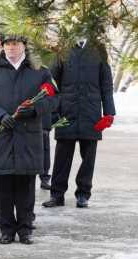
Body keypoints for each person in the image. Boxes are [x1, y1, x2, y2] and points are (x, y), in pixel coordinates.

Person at [0, 34, 54, 244]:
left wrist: (34, 109)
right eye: (7, 44)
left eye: (15, 43)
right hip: (2, 134)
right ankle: (7, 229)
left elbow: (52, 97)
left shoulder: (39, 71)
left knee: (26, 185)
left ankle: (25, 229)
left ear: (24, 46)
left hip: (28, 135)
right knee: (4, 183)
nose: (10, 47)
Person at [44, 39, 116, 209]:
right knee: (62, 157)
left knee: (88, 158)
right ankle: (57, 194)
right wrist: (53, 112)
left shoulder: (99, 50)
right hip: (66, 113)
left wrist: (109, 113)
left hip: (91, 114)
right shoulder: (63, 48)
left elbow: (106, 85)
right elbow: (51, 84)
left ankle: (83, 194)